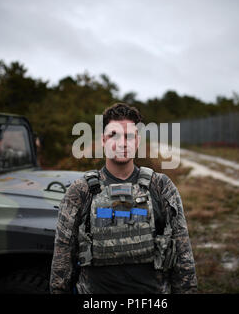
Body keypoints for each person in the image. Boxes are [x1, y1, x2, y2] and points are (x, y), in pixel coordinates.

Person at [50, 103, 197, 294]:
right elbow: (62, 258)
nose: (122, 143)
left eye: (129, 136)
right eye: (114, 135)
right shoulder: (81, 191)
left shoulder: (161, 187)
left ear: (137, 141)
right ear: (103, 140)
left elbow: (183, 254)